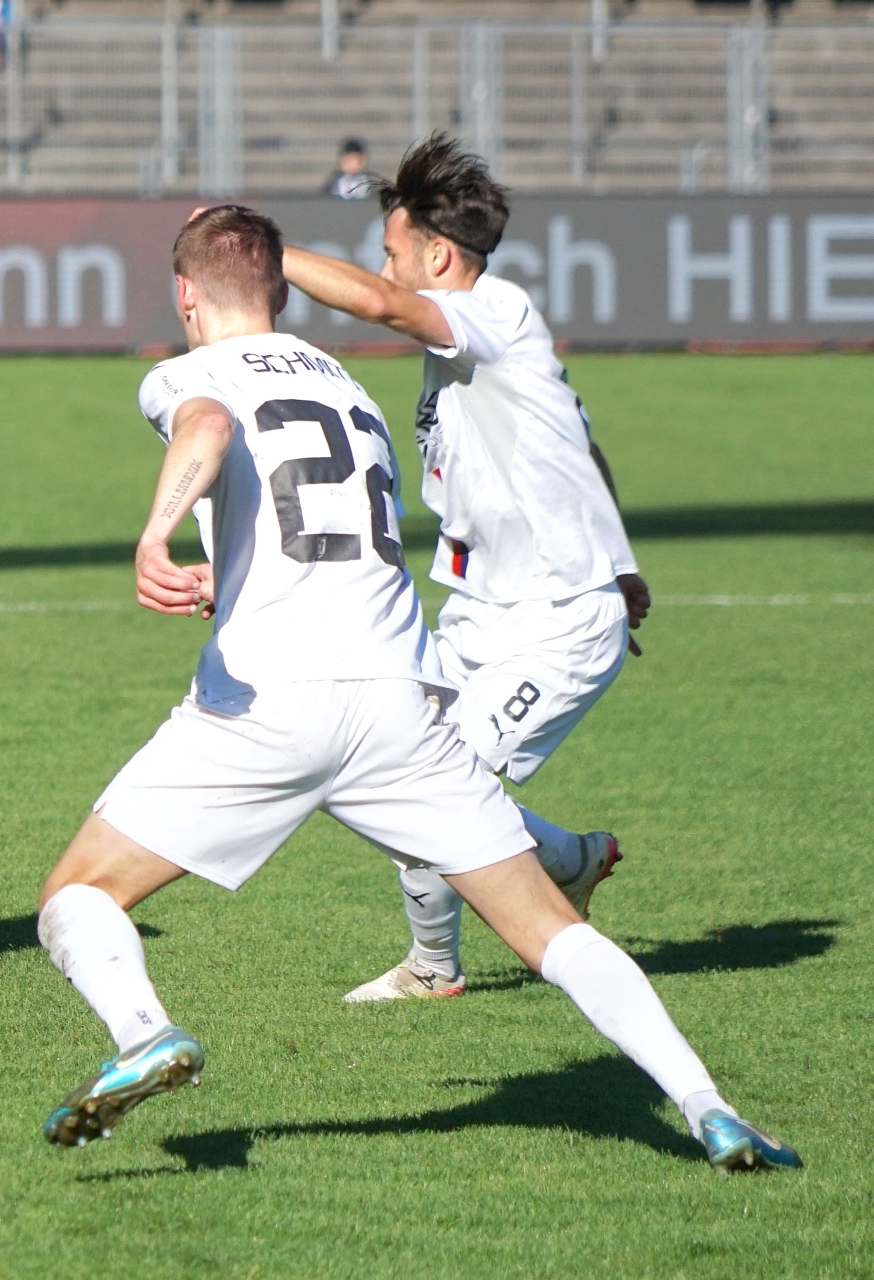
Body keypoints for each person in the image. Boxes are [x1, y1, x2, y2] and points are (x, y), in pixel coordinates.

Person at [33, 204, 799, 1175]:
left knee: (77, 894)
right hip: (402, 699)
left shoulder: (190, 371)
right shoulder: (349, 385)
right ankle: (708, 1105)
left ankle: (145, 1032)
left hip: (270, 699)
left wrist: (156, 533)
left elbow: (211, 424)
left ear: (186, 296)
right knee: (549, 931)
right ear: (280, 291)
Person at [284, 134, 650, 1003]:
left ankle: (434, 968)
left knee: (434, 794)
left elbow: (381, 303)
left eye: (392, 249)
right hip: (481, 613)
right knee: (381, 764)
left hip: (557, 625)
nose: (386, 266)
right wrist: (626, 565)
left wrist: (264, 251)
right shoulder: (483, 347)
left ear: (438, 257)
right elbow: (580, 442)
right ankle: (570, 860)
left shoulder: (495, 312)